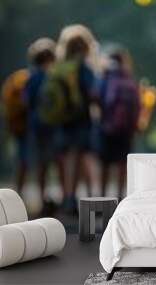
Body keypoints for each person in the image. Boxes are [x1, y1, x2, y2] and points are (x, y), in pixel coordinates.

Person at [54, 24, 98, 210]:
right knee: (84, 157)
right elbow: (93, 93)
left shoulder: (59, 68)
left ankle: (68, 197)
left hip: (62, 120)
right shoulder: (84, 69)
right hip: (81, 119)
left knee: (68, 159)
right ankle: (89, 199)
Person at [24, 37, 67, 214]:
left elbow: (26, 101)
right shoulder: (54, 77)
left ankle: (42, 200)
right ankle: (65, 199)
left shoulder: (31, 77)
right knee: (59, 162)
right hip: (55, 126)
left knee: (41, 164)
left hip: (36, 125)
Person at [99, 48, 140, 200]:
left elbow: (99, 100)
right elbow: (137, 105)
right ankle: (120, 197)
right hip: (126, 130)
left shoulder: (105, 78)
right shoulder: (128, 79)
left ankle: (102, 198)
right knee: (123, 163)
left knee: (105, 164)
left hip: (107, 128)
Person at [0, 68, 30, 194]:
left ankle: (19, 191)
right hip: (26, 125)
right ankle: (20, 191)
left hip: (17, 125)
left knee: (22, 159)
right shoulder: (26, 79)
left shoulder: (18, 77)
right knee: (29, 160)